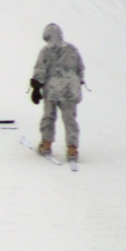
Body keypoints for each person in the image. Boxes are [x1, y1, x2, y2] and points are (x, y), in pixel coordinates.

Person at [30, 23, 85, 161]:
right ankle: (72, 149)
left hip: (52, 90)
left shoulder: (46, 51)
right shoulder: (72, 50)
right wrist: (79, 81)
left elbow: (40, 69)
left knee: (49, 116)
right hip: (70, 90)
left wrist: (36, 87)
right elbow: (80, 68)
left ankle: (46, 144)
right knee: (70, 119)